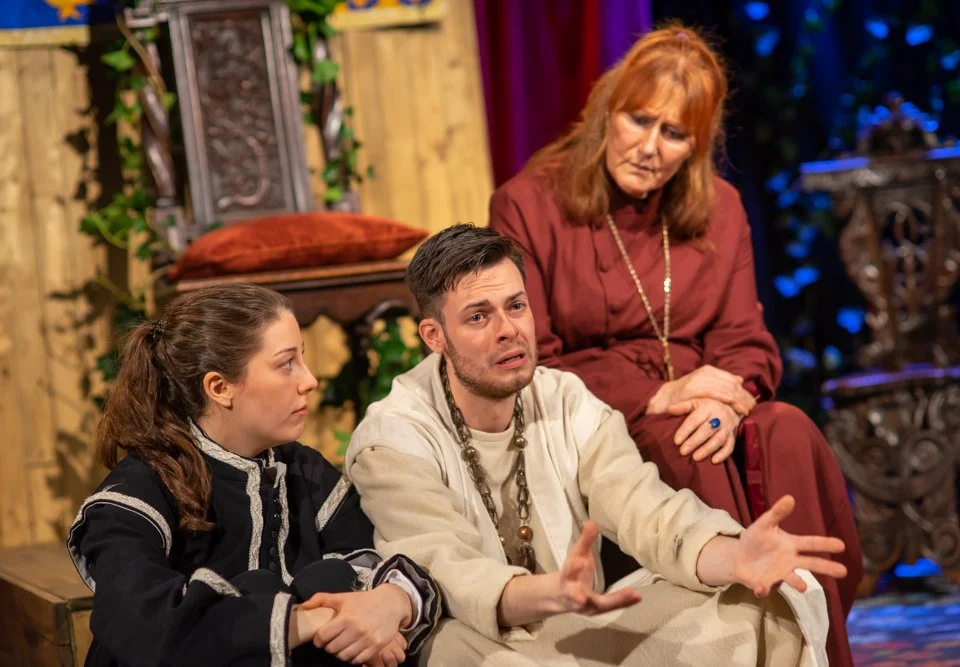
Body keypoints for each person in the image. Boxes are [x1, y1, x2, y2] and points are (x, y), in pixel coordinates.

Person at [488, 23, 861, 666]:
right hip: (597, 414)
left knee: (788, 431)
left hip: (706, 403)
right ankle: (741, 647)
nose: (649, 148)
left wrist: (726, 400)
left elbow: (746, 339)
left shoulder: (721, 207)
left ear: (696, 145)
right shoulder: (527, 203)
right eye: (639, 120)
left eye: (674, 134)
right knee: (687, 445)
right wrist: (659, 394)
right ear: (608, 110)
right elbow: (533, 358)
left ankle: (817, 650)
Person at [345, 224, 847, 666]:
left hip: (579, 622)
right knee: (453, 650)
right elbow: (447, 571)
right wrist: (550, 593)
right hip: (482, 641)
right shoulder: (392, 439)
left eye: (516, 306)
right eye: (478, 317)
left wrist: (733, 556)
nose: (508, 331)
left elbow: (650, 515)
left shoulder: (567, 400)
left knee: (759, 605)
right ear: (434, 335)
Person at [67, 284, 441, 667]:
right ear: (220, 388)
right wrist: (313, 621)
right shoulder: (136, 492)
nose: (309, 380)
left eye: (302, 358)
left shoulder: (305, 471)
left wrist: (387, 605)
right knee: (263, 586)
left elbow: (368, 557)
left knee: (327, 577)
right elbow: (138, 620)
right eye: (286, 363)